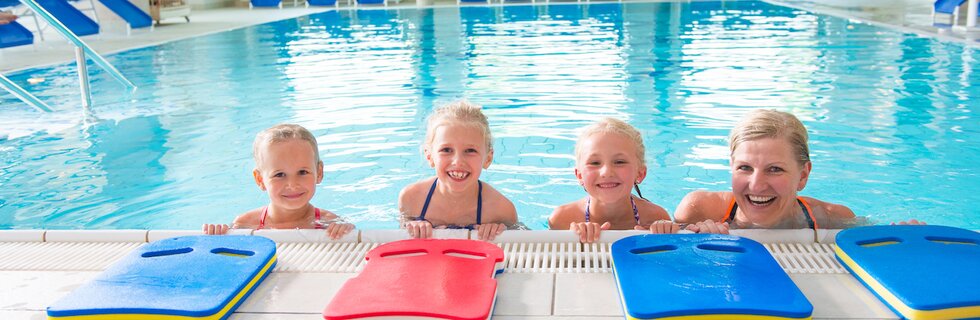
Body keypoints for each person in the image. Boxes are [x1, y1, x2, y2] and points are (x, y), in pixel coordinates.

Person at [673, 109, 866, 233]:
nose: (756, 185)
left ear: (803, 175)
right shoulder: (698, 210)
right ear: (732, 166)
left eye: (775, 169)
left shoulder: (833, 219)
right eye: (745, 167)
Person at [202, 124, 354, 239]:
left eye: (302, 172)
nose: (292, 184)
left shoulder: (331, 223)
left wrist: (346, 231)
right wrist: (218, 234)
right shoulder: (246, 223)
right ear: (260, 179)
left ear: (319, 173)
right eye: (280, 174)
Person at [398, 100, 517, 241]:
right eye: (446, 150)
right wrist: (412, 226)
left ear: (488, 158)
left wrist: (498, 232)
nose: (458, 161)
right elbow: (402, 241)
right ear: (429, 156)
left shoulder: (500, 210)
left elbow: (523, 246)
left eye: (470, 150)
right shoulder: (412, 199)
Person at [549, 118, 671, 243]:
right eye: (595, 163)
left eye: (619, 162)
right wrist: (574, 240)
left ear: (640, 173)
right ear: (579, 175)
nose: (606, 172)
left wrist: (666, 231)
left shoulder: (655, 218)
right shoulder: (562, 219)